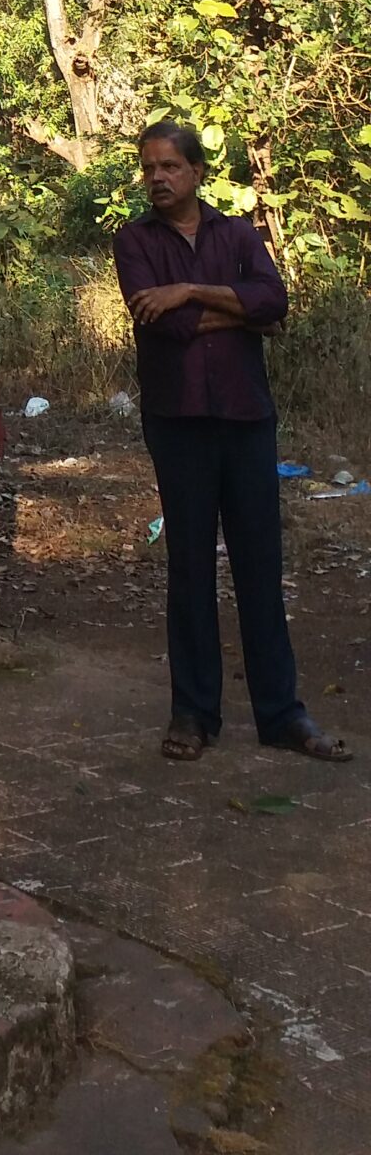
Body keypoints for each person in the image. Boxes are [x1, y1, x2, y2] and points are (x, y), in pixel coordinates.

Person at [114, 120, 350, 765]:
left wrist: (190, 291)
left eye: (169, 166)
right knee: (190, 567)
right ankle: (193, 714)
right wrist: (241, 315)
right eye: (149, 168)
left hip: (246, 418)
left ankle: (282, 715)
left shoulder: (238, 234)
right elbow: (162, 326)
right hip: (179, 421)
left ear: (196, 172)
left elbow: (274, 301)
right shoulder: (134, 241)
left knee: (259, 566)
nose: (158, 178)